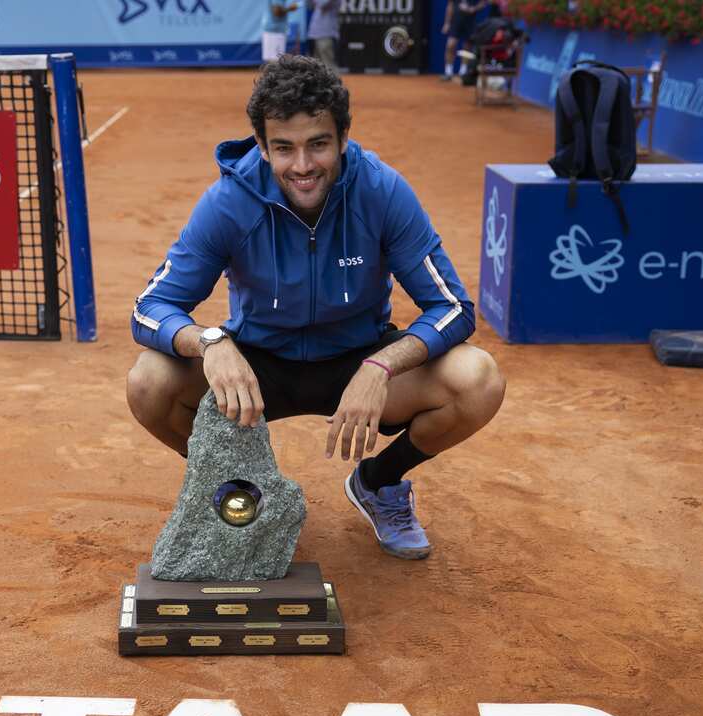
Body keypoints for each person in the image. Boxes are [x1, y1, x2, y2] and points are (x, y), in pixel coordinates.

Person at [127, 56, 505, 560]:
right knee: (148, 382)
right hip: (259, 366)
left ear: (343, 138)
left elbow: (453, 307)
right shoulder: (228, 202)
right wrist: (211, 341)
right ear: (262, 146)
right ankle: (239, 488)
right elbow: (152, 307)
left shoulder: (382, 191)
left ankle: (379, 482)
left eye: (318, 144)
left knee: (478, 379)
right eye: (283, 148)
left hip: (359, 358)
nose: (302, 166)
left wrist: (381, 365)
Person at [442, 0, 491, 81]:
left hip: (469, 22)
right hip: (456, 21)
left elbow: (483, 3)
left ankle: (463, 71)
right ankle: (448, 71)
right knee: (450, 45)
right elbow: (450, 6)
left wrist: (473, 9)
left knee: (467, 47)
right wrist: (447, 23)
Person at [306, 0, 338, 68]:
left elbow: (322, 4)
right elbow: (309, 5)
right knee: (317, 66)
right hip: (315, 34)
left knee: (328, 64)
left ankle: (335, 78)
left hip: (326, 34)